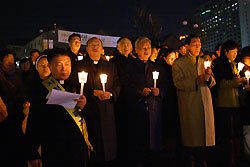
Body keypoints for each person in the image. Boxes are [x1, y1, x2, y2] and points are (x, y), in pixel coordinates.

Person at [25, 48, 92, 167]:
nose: (64, 68)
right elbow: (34, 122)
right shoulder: (41, 90)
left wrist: (85, 105)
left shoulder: (78, 86)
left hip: (78, 148)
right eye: (59, 64)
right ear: (50, 66)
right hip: (55, 149)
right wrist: (32, 152)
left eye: (67, 64)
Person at [172, 34, 216, 167]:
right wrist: (197, 80)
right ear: (187, 46)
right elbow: (178, 83)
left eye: (199, 44)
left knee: (205, 137)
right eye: (194, 44)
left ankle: (203, 160)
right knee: (192, 137)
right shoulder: (179, 63)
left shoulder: (204, 61)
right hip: (190, 103)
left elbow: (213, 81)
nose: (198, 47)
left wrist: (209, 78)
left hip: (205, 101)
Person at [76, 37, 120, 167]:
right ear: (87, 48)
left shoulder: (110, 66)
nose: (95, 47)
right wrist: (91, 93)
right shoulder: (79, 65)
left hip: (106, 108)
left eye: (98, 45)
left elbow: (117, 83)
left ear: (102, 49)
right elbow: (74, 85)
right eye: (92, 45)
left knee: (107, 141)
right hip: (89, 108)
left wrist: (111, 93)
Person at [127, 37, 165, 167]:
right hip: (137, 107)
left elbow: (165, 85)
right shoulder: (130, 66)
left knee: (154, 137)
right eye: (143, 48)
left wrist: (159, 91)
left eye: (148, 48)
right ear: (136, 50)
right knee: (139, 138)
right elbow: (126, 86)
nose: (146, 50)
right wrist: (139, 92)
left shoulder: (156, 66)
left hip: (154, 107)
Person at [213, 40, 247, 167]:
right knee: (228, 133)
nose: (234, 54)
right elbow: (220, 84)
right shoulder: (220, 66)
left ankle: (237, 156)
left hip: (236, 102)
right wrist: (236, 82)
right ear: (225, 52)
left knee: (236, 132)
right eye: (232, 52)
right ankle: (228, 158)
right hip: (225, 103)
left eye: (236, 52)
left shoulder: (235, 65)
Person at [0, 49, 28, 167]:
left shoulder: (19, 76)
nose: (11, 66)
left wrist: (24, 103)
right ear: (1, 62)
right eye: (8, 63)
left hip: (18, 117)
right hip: (4, 120)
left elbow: (23, 93)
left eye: (13, 62)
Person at [110, 37, 134, 165]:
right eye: (123, 44)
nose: (126, 47)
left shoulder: (135, 62)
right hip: (120, 101)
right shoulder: (113, 63)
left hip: (134, 100)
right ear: (118, 47)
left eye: (128, 44)